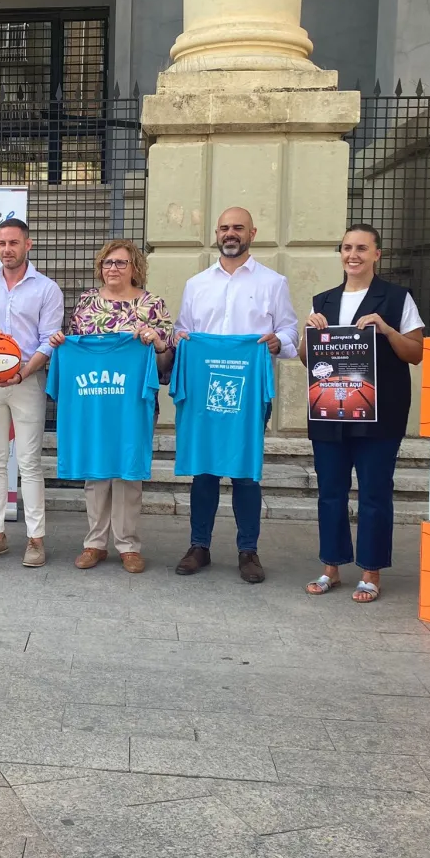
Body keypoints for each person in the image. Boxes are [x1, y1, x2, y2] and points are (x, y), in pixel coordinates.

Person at [173, 207, 298, 583]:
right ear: (216, 233)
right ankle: (199, 546)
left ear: (252, 233)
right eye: (225, 228)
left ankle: (248, 551)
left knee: (246, 474)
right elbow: (181, 330)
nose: (231, 233)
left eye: (238, 228)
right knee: (204, 471)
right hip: (204, 392)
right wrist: (181, 339)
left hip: (250, 394)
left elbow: (290, 332)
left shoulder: (273, 282)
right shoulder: (197, 284)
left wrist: (278, 342)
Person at [302, 224, 424, 602]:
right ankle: (331, 567)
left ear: (376, 254)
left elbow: (416, 353)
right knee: (330, 492)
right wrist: (308, 333)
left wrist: (386, 330)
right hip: (329, 411)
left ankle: (371, 571)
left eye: (361, 248)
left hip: (380, 414)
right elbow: (307, 359)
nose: (352, 255)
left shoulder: (397, 298)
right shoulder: (322, 301)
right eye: (346, 248)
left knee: (374, 492)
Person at [49, 240, 174, 574]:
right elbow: (75, 347)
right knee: (96, 472)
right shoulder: (87, 302)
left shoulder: (151, 305)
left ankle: (128, 545)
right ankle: (95, 543)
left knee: (128, 473)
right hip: (93, 402)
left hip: (133, 404)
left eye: (120, 262)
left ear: (135, 267)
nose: (113, 268)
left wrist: (156, 342)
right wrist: (61, 344)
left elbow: (166, 362)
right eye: (107, 262)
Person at [0, 218, 64, 568]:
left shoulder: (47, 289)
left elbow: (49, 341)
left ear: (28, 244)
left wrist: (22, 372)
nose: (6, 249)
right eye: (1, 243)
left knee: (29, 462)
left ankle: (36, 539)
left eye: (13, 243)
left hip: (27, 380)